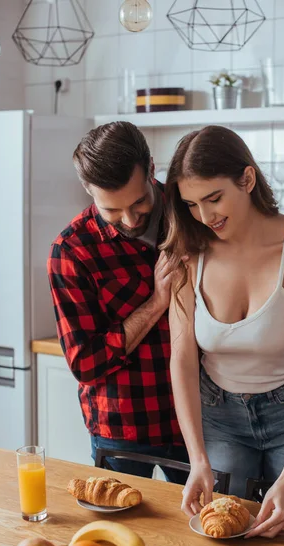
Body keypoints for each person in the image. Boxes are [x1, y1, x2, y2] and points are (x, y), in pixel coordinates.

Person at [162, 125, 284, 537]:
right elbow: (183, 360)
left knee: (283, 537)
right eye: (191, 204)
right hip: (219, 417)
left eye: (214, 198)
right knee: (224, 536)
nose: (205, 217)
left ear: (247, 179)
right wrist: (197, 458)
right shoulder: (189, 254)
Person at [47, 121, 188, 482]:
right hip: (122, 429)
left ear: (152, 167)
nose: (129, 219)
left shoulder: (190, 214)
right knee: (123, 536)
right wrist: (156, 303)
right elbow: (85, 363)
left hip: (201, 419)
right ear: (87, 189)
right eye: (112, 210)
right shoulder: (72, 251)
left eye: (139, 201)